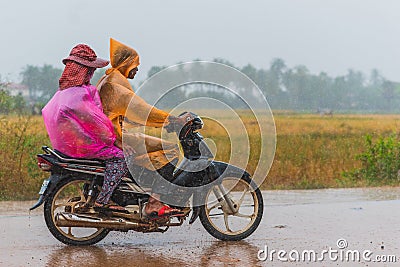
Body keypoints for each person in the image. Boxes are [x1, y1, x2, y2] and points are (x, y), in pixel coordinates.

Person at [96, 38, 186, 217]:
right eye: (135, 66)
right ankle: (154, 201)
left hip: (113, 134)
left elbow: (125, 113)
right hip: (117, 138)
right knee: (171, 149)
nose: (137, 70)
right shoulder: (115, 84)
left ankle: (143, 188)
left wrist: (161, 123)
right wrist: (171, 120)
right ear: (126, 63)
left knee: (151, 145)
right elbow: (141, 110)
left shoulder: (109, 78)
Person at [42, 44, 134, 212]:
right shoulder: (80, 95)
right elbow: (98, 124)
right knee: (121, 158)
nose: (92, 74)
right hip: (83, 148)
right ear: (82, 71)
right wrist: (114, 141)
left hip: (66, 147)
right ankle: (104, 199)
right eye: (90, 70)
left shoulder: (62, 93)